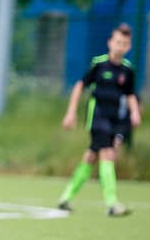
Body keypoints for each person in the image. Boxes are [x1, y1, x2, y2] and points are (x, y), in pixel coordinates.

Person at [57, 23, 141, 217]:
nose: (120, 46)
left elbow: (130, 94)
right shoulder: (99, 64)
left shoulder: (128, 70)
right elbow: (80, 86)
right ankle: (112, 204)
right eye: (118, 42)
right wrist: (71, 112)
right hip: (97, 117)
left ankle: (65, 197)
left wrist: (135, 112)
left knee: (90, 157)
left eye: (124, 43)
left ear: (129, 47)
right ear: (110, 42)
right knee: (108, 154)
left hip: (114, 120)